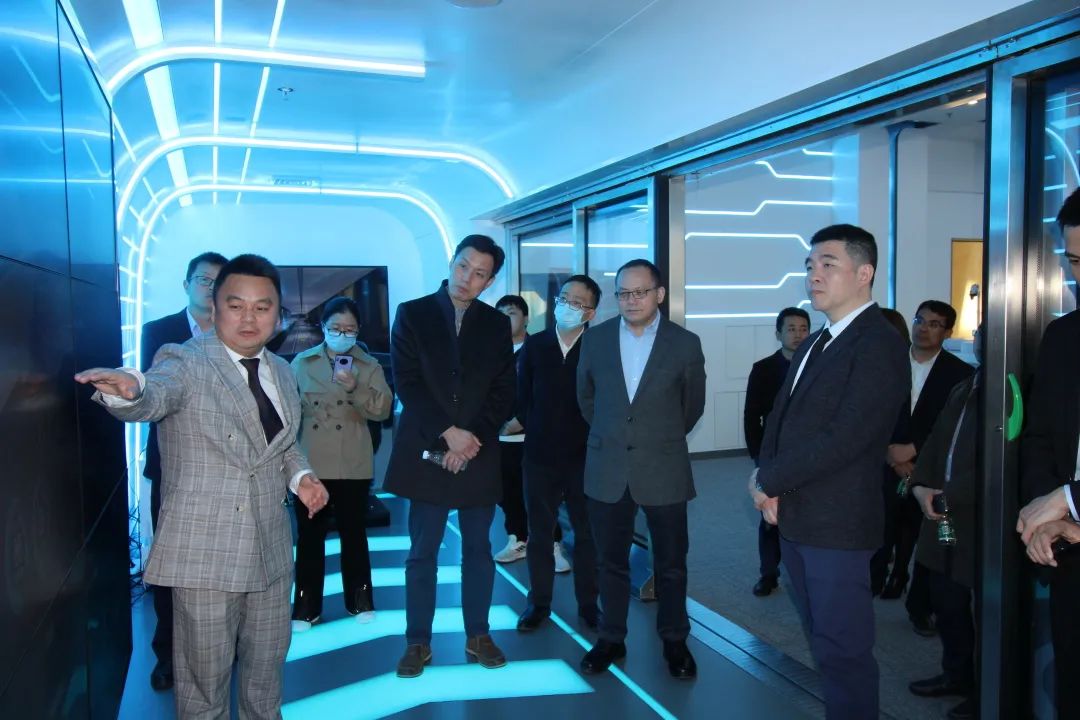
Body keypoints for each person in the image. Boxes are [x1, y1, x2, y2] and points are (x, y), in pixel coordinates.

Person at [75, 254, 330, 719]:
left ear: (278, 315)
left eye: (262, 307)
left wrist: (302, 477)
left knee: (265, 683)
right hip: (207, 555)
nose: (249, 318)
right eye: (236, 305)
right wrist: (131, 390)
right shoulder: (186, 360)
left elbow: (282, 445)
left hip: (271, 552)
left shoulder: (282, 371)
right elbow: (157, 391)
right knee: (203, 692)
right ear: (214, 308)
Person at [750, 224, 909, 719]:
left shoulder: (878, 342)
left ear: (864, 273)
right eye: (810, 265)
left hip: (838, 523)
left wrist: (770, 480)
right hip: (797, 515)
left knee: (843, 648)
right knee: (822, 638)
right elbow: (779, 419)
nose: (813, 275)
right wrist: (764, 477)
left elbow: (847, 437)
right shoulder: (817, 342)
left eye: (828, 264)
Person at [384, 234, 516, 678]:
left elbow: (504, 391)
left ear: (490, 281)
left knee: (479, 549)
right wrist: (448, 434)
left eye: (479, 274)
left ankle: (478, 634)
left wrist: (470, 439)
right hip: (427, 448)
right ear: (452, 262)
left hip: (478, 452)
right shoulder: (413, 313)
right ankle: (417, 641)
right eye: (463, 266)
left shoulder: (496, 325)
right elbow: (407, 382)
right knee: (422, 551)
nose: (467, 278)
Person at [577, 259, 707, 680]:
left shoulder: (685, 344)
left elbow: (691, 407)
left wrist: (656, 437)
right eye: (624, 293)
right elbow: (587, 400)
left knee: (671, 564)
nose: (631, 300)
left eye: (641, 292)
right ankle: (611, 637)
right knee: (609, 562)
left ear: (659, 294)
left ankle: (675, 641)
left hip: (663, 467)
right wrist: (616, 435)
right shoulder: (594, 340)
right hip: (608, 467)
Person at [138, 250, 227, 691]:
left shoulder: (237, 334)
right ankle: (168, 656)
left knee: (222, 567)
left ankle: (220, 652)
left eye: (218, 282)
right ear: (187, 283)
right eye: (204, 280)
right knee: (170, 567)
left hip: (227, 471)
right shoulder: (159, 331)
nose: (210, 288)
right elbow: (152, 394)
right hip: (174, 469)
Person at [289, 297, 393, 631]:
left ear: (358, 330)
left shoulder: (369, 365)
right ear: (323, 327)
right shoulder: (302, 363)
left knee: (354, 532)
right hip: (312, 462)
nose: (342, 334)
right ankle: (305, 605)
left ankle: (360, 599)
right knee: (310, 535)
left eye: (350, 329)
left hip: (352, 460)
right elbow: (288, 412)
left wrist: (356, 387)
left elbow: (382, 411)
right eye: (336, 328)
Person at [1018, 186, 1080, 720]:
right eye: (1077, 262)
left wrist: (1069, 501)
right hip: (1070, 555)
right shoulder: (1063, 337)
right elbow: (1039, 437)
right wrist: (1047, 513)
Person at [516, 275, 603, 633]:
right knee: (539, 534)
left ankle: (589, 605)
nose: (567, 306)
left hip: (585, 458)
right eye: (564, 298)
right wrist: (538, 428)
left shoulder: (599, 349)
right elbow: (522, 398)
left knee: (586, 534)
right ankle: (538, 603)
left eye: (577, 302)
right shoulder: (535, 346)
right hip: (540, 456)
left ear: (590, 313)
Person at [881, 303, 974, 632]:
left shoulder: (961, 374)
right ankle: (883, 578)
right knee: (881, 526)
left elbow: (951, 426)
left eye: (934, 324)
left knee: (926, 536)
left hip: (930, 468)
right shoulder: (887, 363)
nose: (923, 328)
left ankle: (919, 604)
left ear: (948, 332)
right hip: (883, 461)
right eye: (920, 320)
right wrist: (891, 454)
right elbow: (870, 412)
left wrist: (913, 451)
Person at [906, 327, 983, 720]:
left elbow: (1001, 464)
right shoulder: (966, 385)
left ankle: (987, 691)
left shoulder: (1018, 391)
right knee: (946, 599)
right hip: (942, 515)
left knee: (986, 611)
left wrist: (947, 496)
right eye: (981, 331)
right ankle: (956, 674)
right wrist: (920, 486)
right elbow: (936, 442)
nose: (982, 337)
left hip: (980, 519)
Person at [491, 295, 569, 570]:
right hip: (499, 438)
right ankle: (518, 539)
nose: (505, 319)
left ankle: (552, 545)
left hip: (532, 437)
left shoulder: (540, 349)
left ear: (525, 318)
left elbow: (549, 392)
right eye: (500, 314)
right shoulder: (491, 353)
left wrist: (521, 420)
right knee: (508, 494)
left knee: (541, 496)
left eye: (511, 313)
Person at [744, 307, 810, 597]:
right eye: (791, 329)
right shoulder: (763, 369)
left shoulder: (819, 366)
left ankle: (805, 573)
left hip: (809, 455)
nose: (798, 334)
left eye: (803, 329)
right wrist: (758, 457)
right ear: (778, 333)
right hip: (773, 455)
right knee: (769, 516)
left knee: (808, 513)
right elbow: (751, 416)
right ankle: (768, 573)